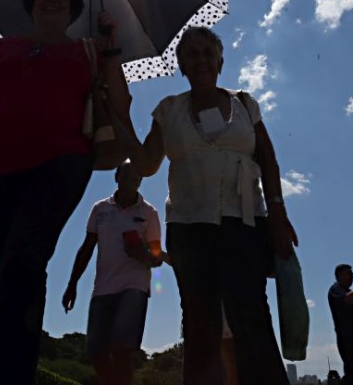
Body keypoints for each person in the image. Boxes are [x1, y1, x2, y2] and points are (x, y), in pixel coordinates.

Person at [0, 0, 132, 385]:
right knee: (11, 276)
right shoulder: (4, 48)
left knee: (23, 261)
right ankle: (12, 372)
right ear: (31, 3)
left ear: (73, 8)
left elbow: (121, 105)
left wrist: (111, 49)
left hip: (63, 165)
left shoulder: (89, 51)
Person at [127, 26, 296, 384]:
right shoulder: (168, 110)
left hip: (245, 222)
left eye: (208, 53)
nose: (201, 60)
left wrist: (278, 214)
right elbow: (145, 165)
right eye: (192, 54)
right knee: (200, 323)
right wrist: (119, 113)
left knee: (251, 316)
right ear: (181, 66)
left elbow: (268, 160)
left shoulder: (245, 104)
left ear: (220, 61)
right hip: (189, 228)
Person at [61, 161, 163, 385]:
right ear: (116, 177)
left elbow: (156, 257)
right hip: (104, 287)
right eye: (125, 177)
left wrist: (141, 254)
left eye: (135, 178)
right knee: (96, 351)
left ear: (140, 181)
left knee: (122, 349)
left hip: (134, 287)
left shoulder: (149, 213)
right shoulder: (100, 209)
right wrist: (72, 284)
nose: (130, 182)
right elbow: (87, 247)